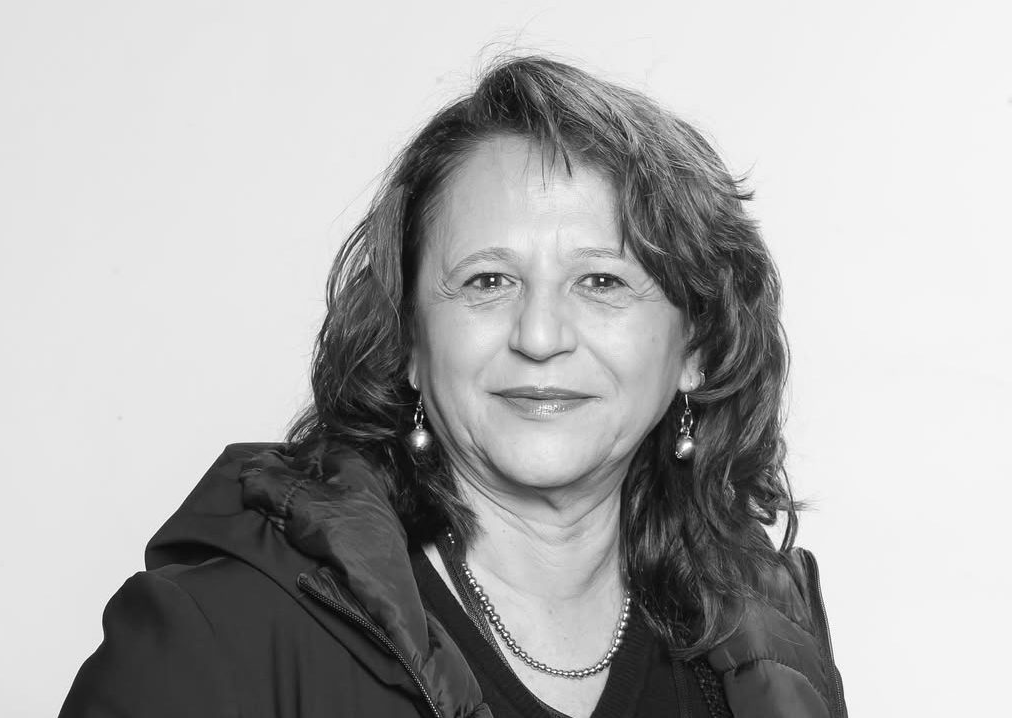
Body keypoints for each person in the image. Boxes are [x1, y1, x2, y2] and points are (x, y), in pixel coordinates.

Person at [60, 56, 847, 718]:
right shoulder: (213, 641)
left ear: (695, 349)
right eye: (487, 280)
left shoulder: (777, 650)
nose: (541, 335)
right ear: (409, 338)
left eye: (602, 281)